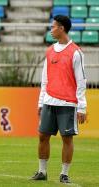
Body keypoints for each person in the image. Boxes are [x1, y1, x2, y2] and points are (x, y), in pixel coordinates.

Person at [31, 15, 87, 183]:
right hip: (49, 101)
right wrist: (41, 101)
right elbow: (44, 79)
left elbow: (81, 81)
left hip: (68, 103)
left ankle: (64, 174)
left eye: (53, 27)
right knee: (42, 136)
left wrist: (82, 107)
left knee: (67, 139)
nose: (51, 29)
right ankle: (42, 172)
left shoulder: (76, 53)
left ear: (62, 28)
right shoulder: (49, 51)